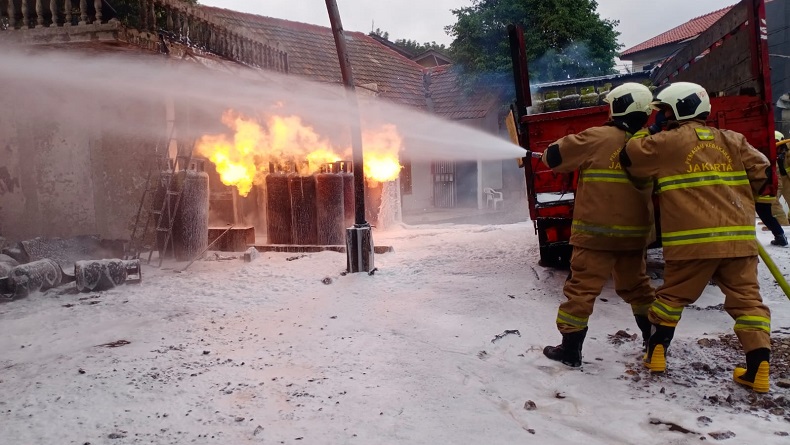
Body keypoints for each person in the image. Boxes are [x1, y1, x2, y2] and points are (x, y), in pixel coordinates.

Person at [620, 81, 772, 393]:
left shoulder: (665, 142)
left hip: (692, 244)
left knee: (672, 298)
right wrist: (745, 201)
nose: (660, 116)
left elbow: (629, 159)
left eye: (662, 111)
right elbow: (764, 171)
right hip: (738, 239)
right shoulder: (733, 139)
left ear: (677, 108)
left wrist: (646, 131)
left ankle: (657, 354)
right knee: (748, 303)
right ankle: (758, 369)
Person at [540, 82, 657, 368]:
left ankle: (570, 351)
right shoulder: (649, 144)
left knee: (581, 291)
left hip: (595, 236)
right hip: (634, 238)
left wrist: (546, 154)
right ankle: (655, 343)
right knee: (638, 289)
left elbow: (554, 157)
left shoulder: (597, 138)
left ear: (618, 107)